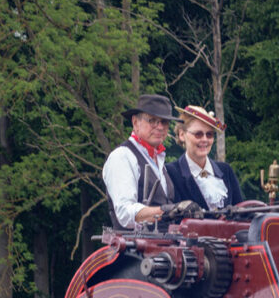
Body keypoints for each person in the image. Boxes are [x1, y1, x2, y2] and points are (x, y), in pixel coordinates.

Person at [102, 94, 191, 229]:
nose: (160, 127)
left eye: (164, 122)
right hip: (133, 247)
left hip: (164, 245)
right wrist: (167, 211)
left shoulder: (159, 161)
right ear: (135, 122)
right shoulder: (122, 156)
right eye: (152, 120)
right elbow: (125, 213)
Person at [165, 105, 244, 212]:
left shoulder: (226, 170)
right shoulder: (170, 172)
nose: (205, 139)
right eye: (198, 134)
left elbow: (242, 213)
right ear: (182, 135)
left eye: (209, 134)